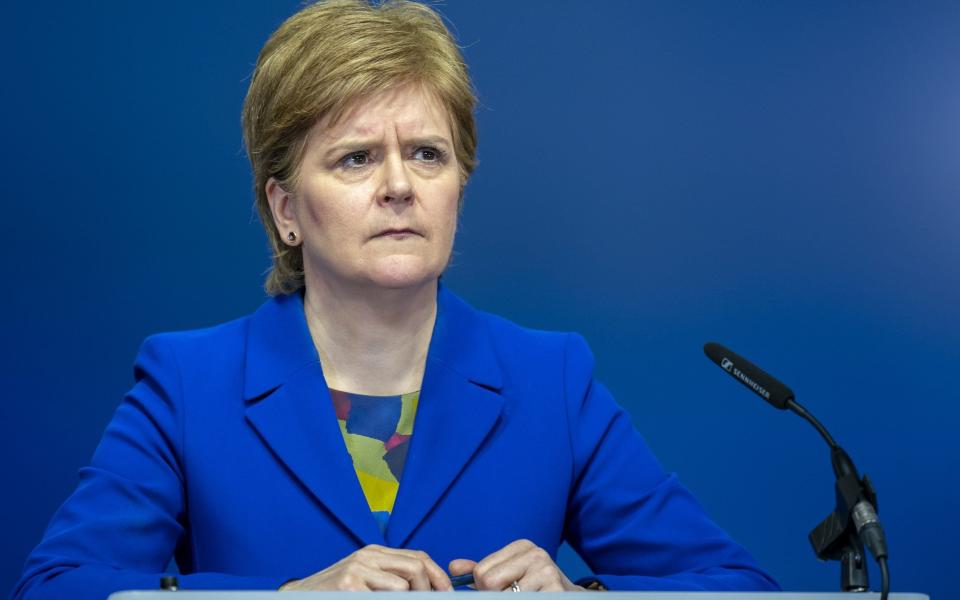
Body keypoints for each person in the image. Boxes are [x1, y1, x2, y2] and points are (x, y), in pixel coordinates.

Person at [12, 1, 779, 597]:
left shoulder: (551, 379)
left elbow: (737, 590)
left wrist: (584, 597)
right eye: (355, 158)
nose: (399, 186)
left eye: (426, 153)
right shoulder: (188, 382)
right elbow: (56, 588)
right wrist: (285, 599)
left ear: (458, 184)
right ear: (285, 210)